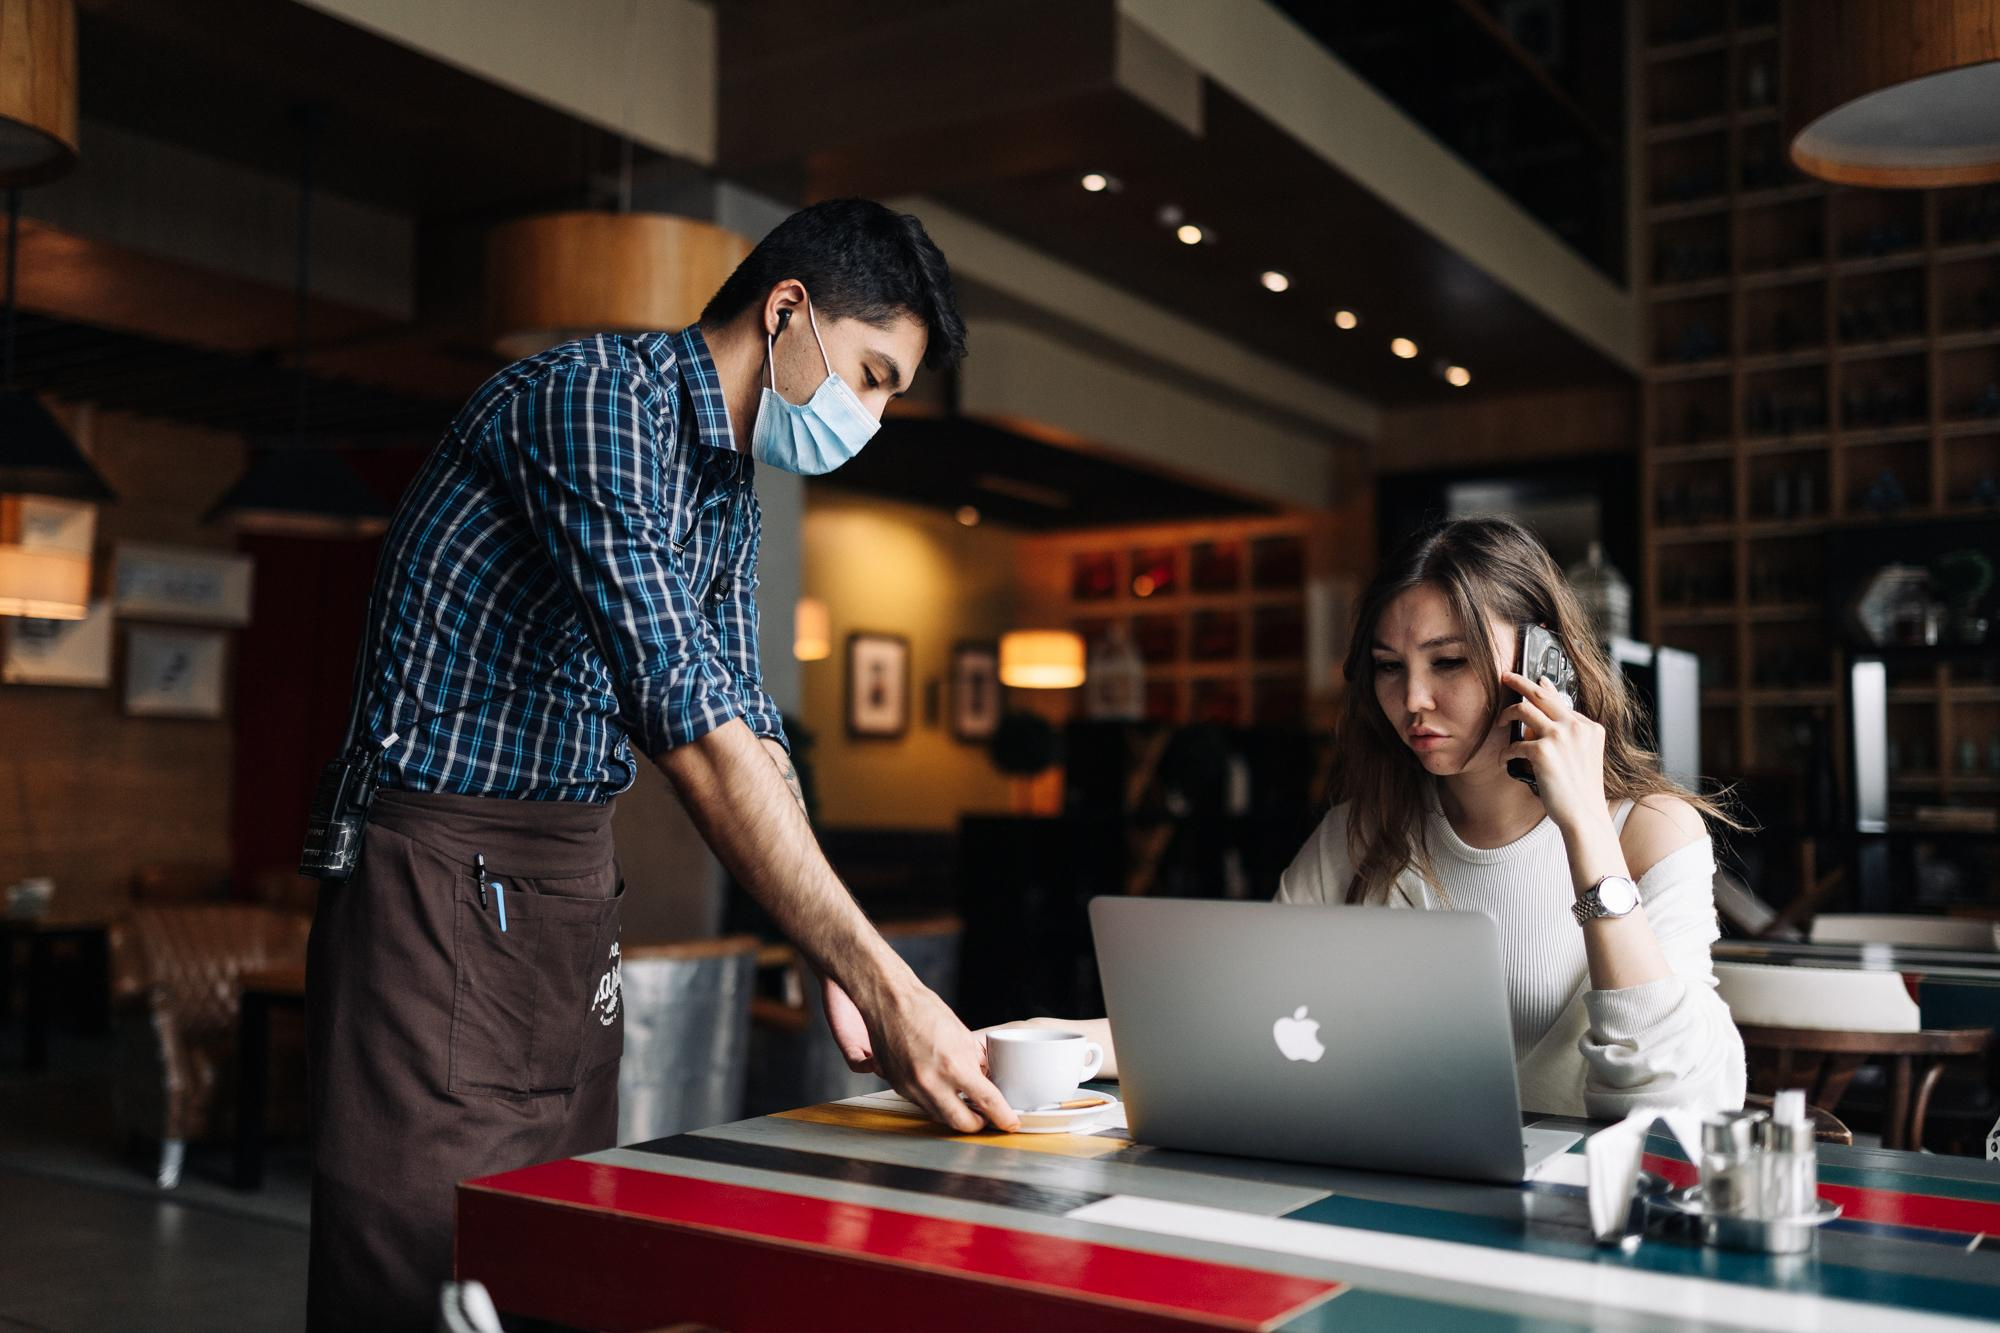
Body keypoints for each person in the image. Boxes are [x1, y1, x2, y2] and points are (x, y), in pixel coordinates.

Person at [305, 198, 1018, 1332]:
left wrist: (820, 939)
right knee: (422, 1274)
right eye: (872, 376)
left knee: (546, 1260)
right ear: (787, 310)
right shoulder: (596, 402)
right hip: (435, 882)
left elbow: (749, 725)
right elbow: (686, 724)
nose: (870, 416)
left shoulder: (727, 484)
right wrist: (888, 981)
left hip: (567, 892)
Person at [1005, 517, 1747, 1120]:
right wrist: (1065, 1042)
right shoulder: (1366, 831)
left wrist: (1586, 828)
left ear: (1546, 662)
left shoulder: (1651, 831)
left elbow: (1676, 1094)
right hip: (1407, 1200)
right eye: (1390, 666)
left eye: (1448, 662)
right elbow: (1246, 1018)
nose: (1412, 699)